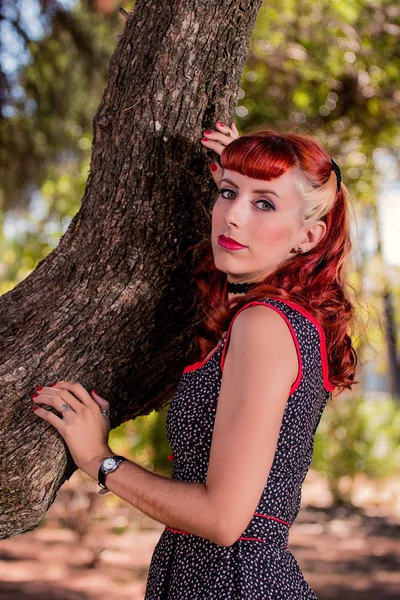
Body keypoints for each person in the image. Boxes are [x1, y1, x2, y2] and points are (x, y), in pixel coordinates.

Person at [31, 121, 358, 599]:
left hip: (231, 583)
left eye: (263, 204)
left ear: (307, 237)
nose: (233, 217)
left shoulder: (265, 325)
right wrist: (251, 168)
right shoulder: (275, 320)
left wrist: (99, 459)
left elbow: (222, 520)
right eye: (227, 193)